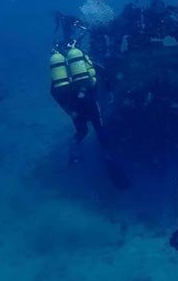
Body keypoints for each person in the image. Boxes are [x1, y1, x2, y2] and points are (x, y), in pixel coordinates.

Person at [49, 44, 129, 189]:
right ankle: (114, 171)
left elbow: (54, 92)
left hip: (73, 106)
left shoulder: (60, 73)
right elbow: (104, 74)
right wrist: (110, 92)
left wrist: (69, 110)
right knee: (101, 131)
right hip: (90, 102)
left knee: (82, 131)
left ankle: (74, 152)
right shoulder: (86, 61)